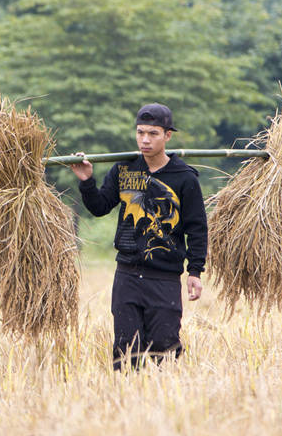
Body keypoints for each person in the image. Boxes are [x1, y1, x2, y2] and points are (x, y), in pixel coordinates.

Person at [69, 103, 207, 370]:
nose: (145, 139)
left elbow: (197, 227)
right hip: (127, 275)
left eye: (153, 133)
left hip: (164, 277)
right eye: (140, 132)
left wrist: (195, 271)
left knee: (164, 349)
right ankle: (126, 404)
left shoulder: (184, 178)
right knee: (126, 351)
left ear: (167, 136)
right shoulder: (124, 170)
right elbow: (99, 207)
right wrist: (86, 181)